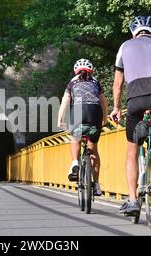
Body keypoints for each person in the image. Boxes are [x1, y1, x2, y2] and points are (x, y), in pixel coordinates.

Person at [110, 15, 151, 216]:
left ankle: (132, 199)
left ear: (133, 31)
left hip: (137, 100)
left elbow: (118, 84)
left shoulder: (125, 46)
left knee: (132, 150)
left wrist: (116, 108)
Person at [57, 58, 108, 196]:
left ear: (76, 70)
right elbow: (103, 101)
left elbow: (65, 100)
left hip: (79, 114)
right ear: (91, 70)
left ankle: (75, 162)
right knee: (93, 150)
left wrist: (59, 119)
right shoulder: (96, 82)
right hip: (94, 115)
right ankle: (96, 184)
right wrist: (104, 119)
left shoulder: (72, 82)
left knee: (75, 138)